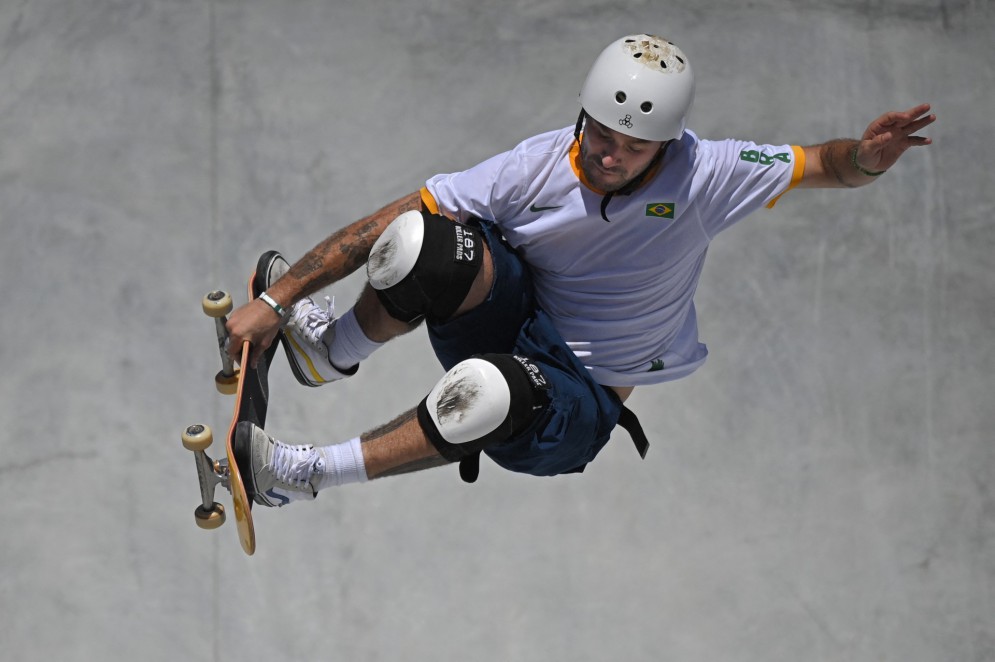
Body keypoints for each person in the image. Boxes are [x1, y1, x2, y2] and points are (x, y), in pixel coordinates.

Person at [224, 34, 935, 507]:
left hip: (574, 401)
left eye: (632, 148)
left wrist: (866, 157)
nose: (608, 156)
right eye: (598, 133)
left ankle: (300, 474)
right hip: (513, 320)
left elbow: (824, 165)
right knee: (423, 239)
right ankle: (331, 352)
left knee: (490, 388)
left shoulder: (707, 174)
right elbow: (393, 214)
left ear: (666, 144)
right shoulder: (533, 165)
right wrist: (280, 301)